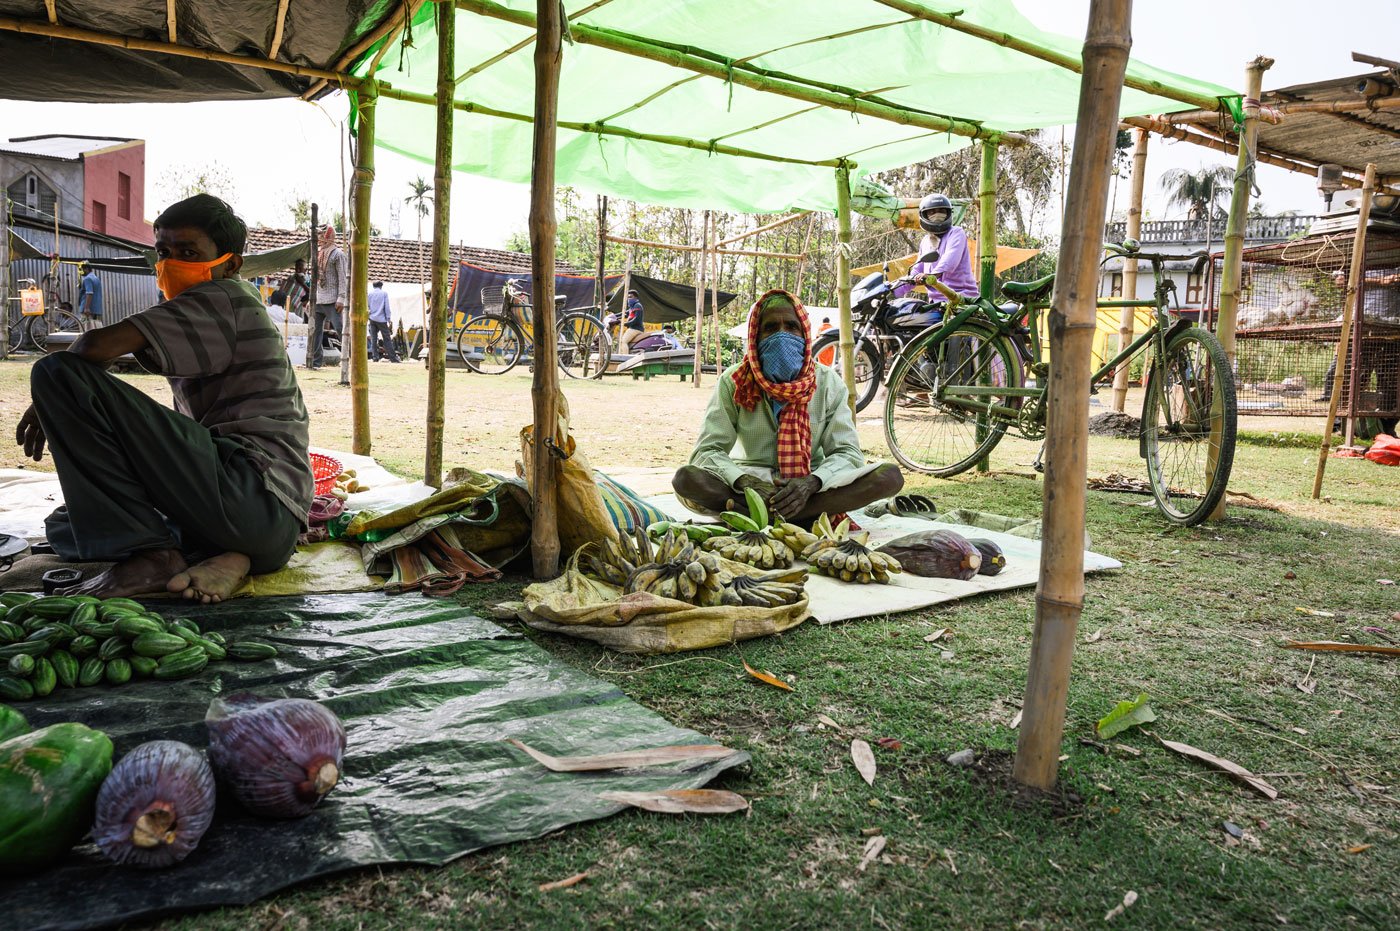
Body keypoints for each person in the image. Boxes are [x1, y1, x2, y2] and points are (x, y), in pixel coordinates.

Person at [14, 193, 313, 602]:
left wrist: (53, 398)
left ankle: (154, 558)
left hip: (252, 495)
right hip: (267, 528)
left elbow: (92, 347)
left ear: (230, 264)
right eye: (163, 252)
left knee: (55, 371)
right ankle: (231, 556)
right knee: (68, 524)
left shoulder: (224, 297)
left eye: (188, 253)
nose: (171, 263)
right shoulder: (218, 307)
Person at [672, 290, 903, 523]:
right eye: (771, 328)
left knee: (889, 477)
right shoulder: (734, 381)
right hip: (748, 483)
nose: (782, 335)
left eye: (791, 327)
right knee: (686, 479)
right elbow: (707, 451)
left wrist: (811, 483)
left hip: (810, 482)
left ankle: (761, 514)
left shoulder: (828, 383)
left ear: (805, 334)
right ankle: (797, 515)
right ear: (756, 336)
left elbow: (847, 453)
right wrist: (745, 482)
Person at [890, 193, 980, 327]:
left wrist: (932, 275)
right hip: (937, 305)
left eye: (942, 211)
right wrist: (893, 289)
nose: (937, 215)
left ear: (949, 213)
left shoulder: (956, 233)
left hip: (962, 300)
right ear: (924, 215)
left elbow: (950, 260)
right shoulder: (926, 241)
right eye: (932, 212)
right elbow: (917, 269)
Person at [309, 226, 347, 369]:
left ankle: (349, 359)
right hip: (319, 299)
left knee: (341, 329)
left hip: (333, 300)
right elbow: (315, 280)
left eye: (322, 235)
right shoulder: (318, 254)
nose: (319, 238)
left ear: (328, 236)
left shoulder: (338, 254)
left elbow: (343, 278)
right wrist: (312, 298)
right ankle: (315, 362)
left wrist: (341, 298)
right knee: (314, 332)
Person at [368, 280, 400, 363]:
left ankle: (375, 357)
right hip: (381, 319)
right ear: (381, 286)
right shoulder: (384, 293)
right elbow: (387, 307)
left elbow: (367, 306)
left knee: (373, 339)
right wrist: (388, 318)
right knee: (387, 339)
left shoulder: (369, 294)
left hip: (372, 319)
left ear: (373, 286)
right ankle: (393, 358)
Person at [618, 289, 645, 354]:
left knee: (623, 341)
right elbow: (623, 314)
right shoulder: (631, 307)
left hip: (636, 329)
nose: (629, 299)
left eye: (631, 297)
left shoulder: (637, 305)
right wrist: (613, 316)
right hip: (633, 328)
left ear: (636, 298)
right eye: (628, 297)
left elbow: (637, 319)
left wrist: (625, 324)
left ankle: (625, 358)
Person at [283, 257, 310, 323]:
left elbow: (311, 292)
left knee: (297, 321)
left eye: (300, 268)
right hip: (287, 303)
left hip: (299, 305)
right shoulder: (291, 277)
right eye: (296, 268)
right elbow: (285, 289)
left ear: (305, 270)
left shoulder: (307, 279)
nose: (297, 270)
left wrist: (302, 283)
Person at [77, 262, 103, 327]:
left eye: (81, 270)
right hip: (96, 309)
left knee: (85, 328)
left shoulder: (87, 279)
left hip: (87, 310)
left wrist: (86, 307)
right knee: (95, 327)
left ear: (86, 269)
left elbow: (89, 293)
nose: (80, 272)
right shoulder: (96, 278)